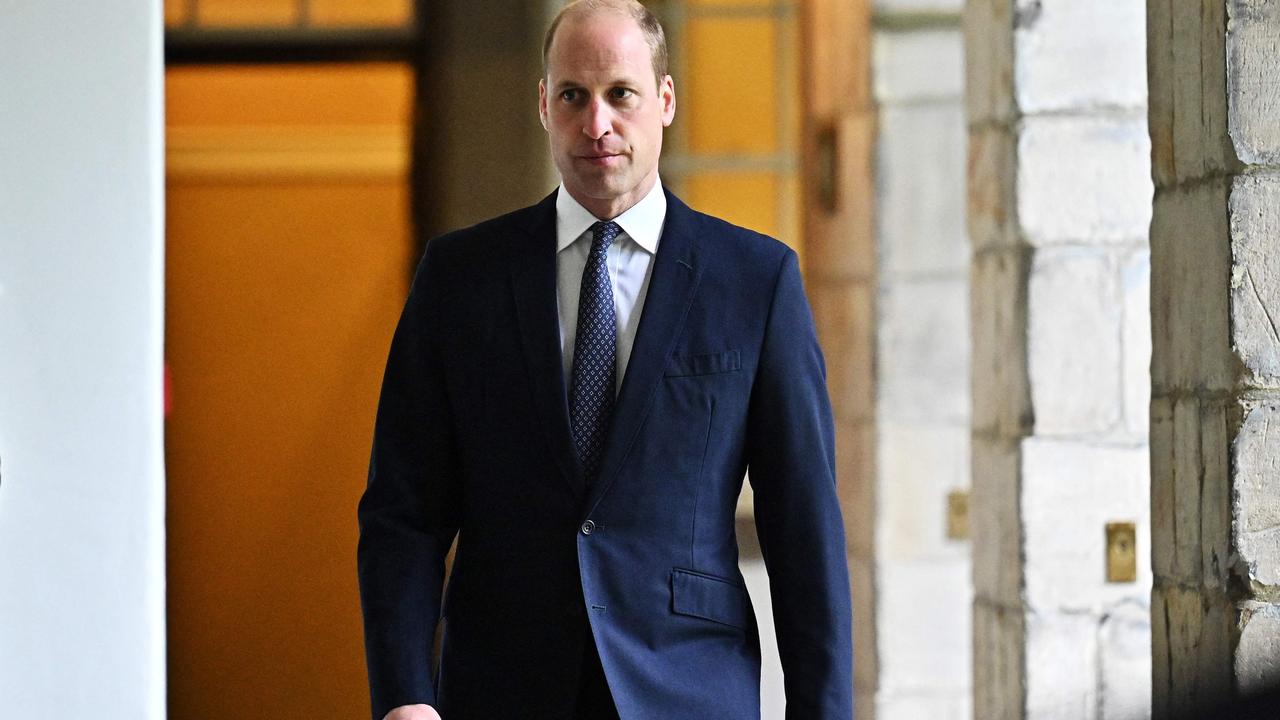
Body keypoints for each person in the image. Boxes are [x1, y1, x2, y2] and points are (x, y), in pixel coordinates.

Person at [356, 1, 853, 718]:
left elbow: (803, 527)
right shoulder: (461, 280)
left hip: (687, 688)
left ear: (665, 101)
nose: (597, 125)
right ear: (543, 105)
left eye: (621, 93)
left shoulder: (755, 280)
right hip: (501, 688)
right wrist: (405, 695)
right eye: (573, 97)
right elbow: (404, 511)